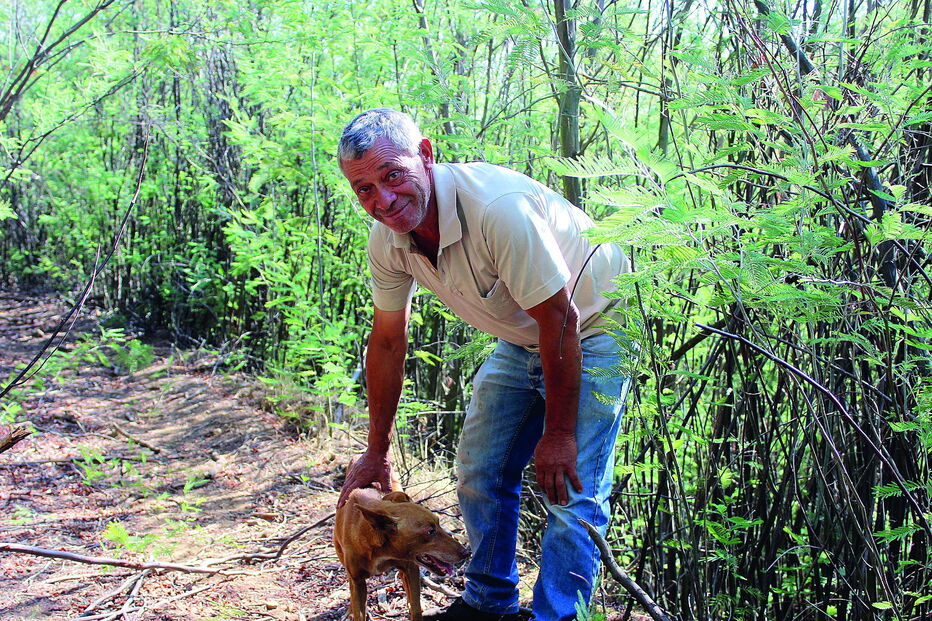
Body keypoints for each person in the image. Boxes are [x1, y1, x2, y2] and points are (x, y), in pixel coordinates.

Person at [336, 108, 633, 621]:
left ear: (425, 155)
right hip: (524, 336)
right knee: (480, 469)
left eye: (393, 175)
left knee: (572, 490)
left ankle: (558, 616)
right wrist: (377, 450)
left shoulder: (498, 209)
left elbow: (561, 320)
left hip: (594, 327)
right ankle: (488, 603)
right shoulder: (388, 239)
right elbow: (386, 341)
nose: (382, 200)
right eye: (364, 189)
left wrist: (559, 433)